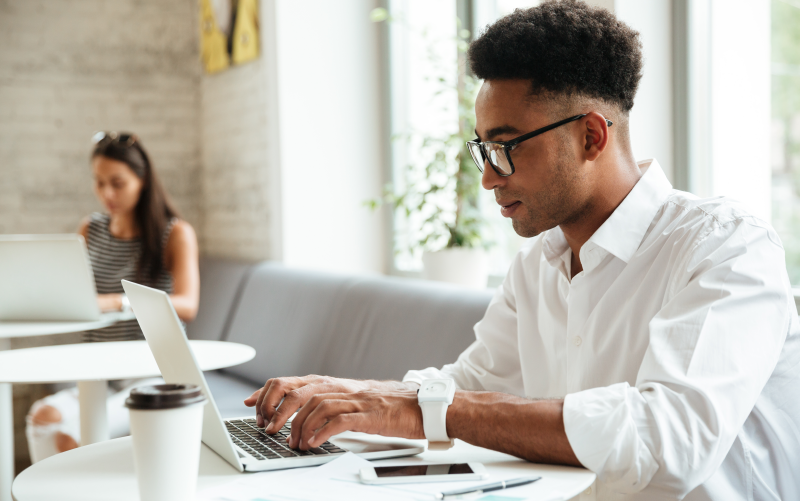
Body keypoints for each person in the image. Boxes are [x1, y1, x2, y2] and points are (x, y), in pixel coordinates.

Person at [243, 2, 800, 500]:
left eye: (505, 147)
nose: (488, 178)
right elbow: (472, 383)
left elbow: (669, 439)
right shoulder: (538, 264)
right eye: (482, 149)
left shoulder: (727, 246)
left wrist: (421, 408)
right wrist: (353, 396)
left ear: (591, 137)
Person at [26, 132, 200, 462]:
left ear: (143, 180)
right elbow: (71, 293)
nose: (107, 193)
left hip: (152, 369)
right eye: (99, 182)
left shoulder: (175, 233)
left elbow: (188, 305)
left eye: (117, 183)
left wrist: (116, 301)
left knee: (74, 434)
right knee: (42, 417)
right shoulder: (90, 229)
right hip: (98, 369)